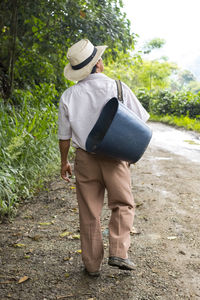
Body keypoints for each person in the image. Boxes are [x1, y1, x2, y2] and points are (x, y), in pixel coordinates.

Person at [58, 39, 149, 277]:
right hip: (115, 155)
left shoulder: (69, 95)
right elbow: (140, 122)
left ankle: (91, 265)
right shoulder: (118, 87)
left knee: (89, 211)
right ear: (98, 63)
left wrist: (64, 162)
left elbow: (64, 136)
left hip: (84, 159)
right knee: (123, 203)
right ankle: (118, 251)